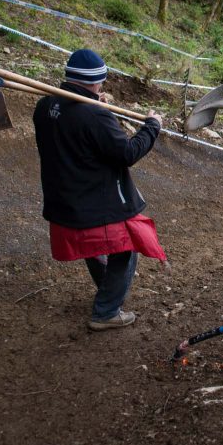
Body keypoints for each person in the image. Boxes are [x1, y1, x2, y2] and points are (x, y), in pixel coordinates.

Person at [33, 49, 165, 331]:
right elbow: (128, 152)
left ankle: (107, 292)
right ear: (95, 82)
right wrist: (152, 127)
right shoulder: (94, 116)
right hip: (96, 202)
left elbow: (78, 130)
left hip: (63, 200)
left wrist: (97, 107)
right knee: (127, 247)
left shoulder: (44, 106)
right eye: (101, 82)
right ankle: (106, 312)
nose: (102, 86)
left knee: (94, 249)